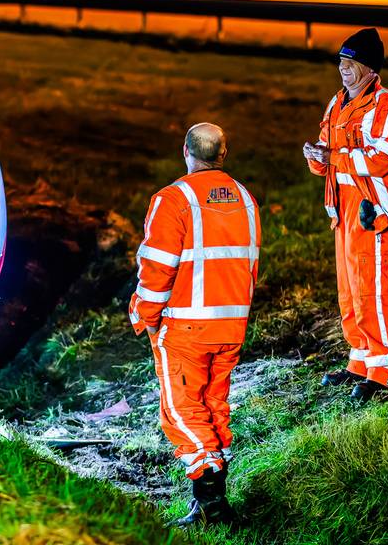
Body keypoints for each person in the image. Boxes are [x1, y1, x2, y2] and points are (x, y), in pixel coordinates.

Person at [129, 123, 260, 528]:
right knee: (214, 406)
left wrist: (145, 316)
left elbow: (157, 269)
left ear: (185, 151)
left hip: (187, 327)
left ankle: (211, 505)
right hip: (232, 324)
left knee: (181, 411)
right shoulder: (246, 199)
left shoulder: (172, 200)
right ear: (223, 154)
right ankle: (214, 503)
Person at [303, 28, 388, 403]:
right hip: (343, 209)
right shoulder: (336, 104)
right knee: (349, 290)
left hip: (373, 209)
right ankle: (359, 361)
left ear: (370, 68)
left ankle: (384, 369)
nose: (342, 68)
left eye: (350, 62)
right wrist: (317, 158)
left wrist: (333, 157)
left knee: (371, 287)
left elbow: (383, 158)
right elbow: (328, 153)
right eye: (340, 61)